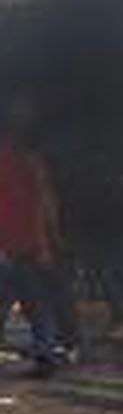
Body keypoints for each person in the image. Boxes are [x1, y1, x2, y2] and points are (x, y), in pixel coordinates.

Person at [0, 96, 61, 378]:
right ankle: (45, 356)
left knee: (19, 303)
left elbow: (43, 202)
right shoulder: (31, 162)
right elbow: (45, 203)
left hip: (15, 246)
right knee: (38, 306)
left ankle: (46, 355)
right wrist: (48, 242)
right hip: (28, 245)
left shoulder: (22, 162)